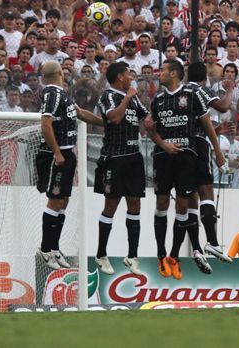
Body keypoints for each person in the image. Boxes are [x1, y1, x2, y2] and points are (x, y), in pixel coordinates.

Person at [148, 60, 225, 280]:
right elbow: (151, 131)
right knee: (162, 202)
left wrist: (218, 151)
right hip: (163, 156)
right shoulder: (158, 100)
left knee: (183, 204)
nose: (159, 73)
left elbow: (207, 123)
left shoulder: (192, 95)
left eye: (162, 70)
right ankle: (161, 254)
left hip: (187, 156)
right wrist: (163, 144)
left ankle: (174, 255)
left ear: (173, 73)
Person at [35, 60, 102, 270]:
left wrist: (107, 122)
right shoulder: (52, 94)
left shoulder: (62, 94)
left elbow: (80, 113)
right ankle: (45, 248)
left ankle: (54, 247)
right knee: (55, 202)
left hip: (67, 152)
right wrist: (57, 152)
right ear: (60, 74)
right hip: (58, 154)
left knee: (62, 202)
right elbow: (46, 125)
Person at [93, 62, 149, 276]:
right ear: (119, 77)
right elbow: (114, 118)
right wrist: (127, 97)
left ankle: (132, 255)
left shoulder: (133, 97)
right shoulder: (108, 96)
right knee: (111, 205)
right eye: (128, 73)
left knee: (135, 204)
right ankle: (101, 253)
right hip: (114, 158)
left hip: (134, 158)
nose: (131, 76)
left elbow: (146, 119)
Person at [185, 62, 236, 271]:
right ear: (204, 77)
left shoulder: (178, 91)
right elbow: (223, 106)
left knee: (188, 198)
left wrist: (216, 127)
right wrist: (230, 89)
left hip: (178, 147)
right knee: (206, 191)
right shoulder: (200, 89)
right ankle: (213, 243)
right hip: (197, 144)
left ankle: (196, 248)